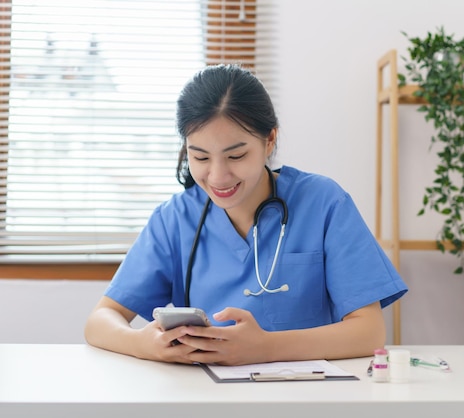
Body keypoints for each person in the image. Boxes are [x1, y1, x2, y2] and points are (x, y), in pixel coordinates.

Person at [84, 64, 408, 366]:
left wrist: (264, 347)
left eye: (236, 155)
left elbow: (369, 332)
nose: (218, 176)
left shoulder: (324, 203)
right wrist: (144, 344)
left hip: (309, 395)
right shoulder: (175, 219)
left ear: (269, 140)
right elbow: (100, 321)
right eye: (200, 157)